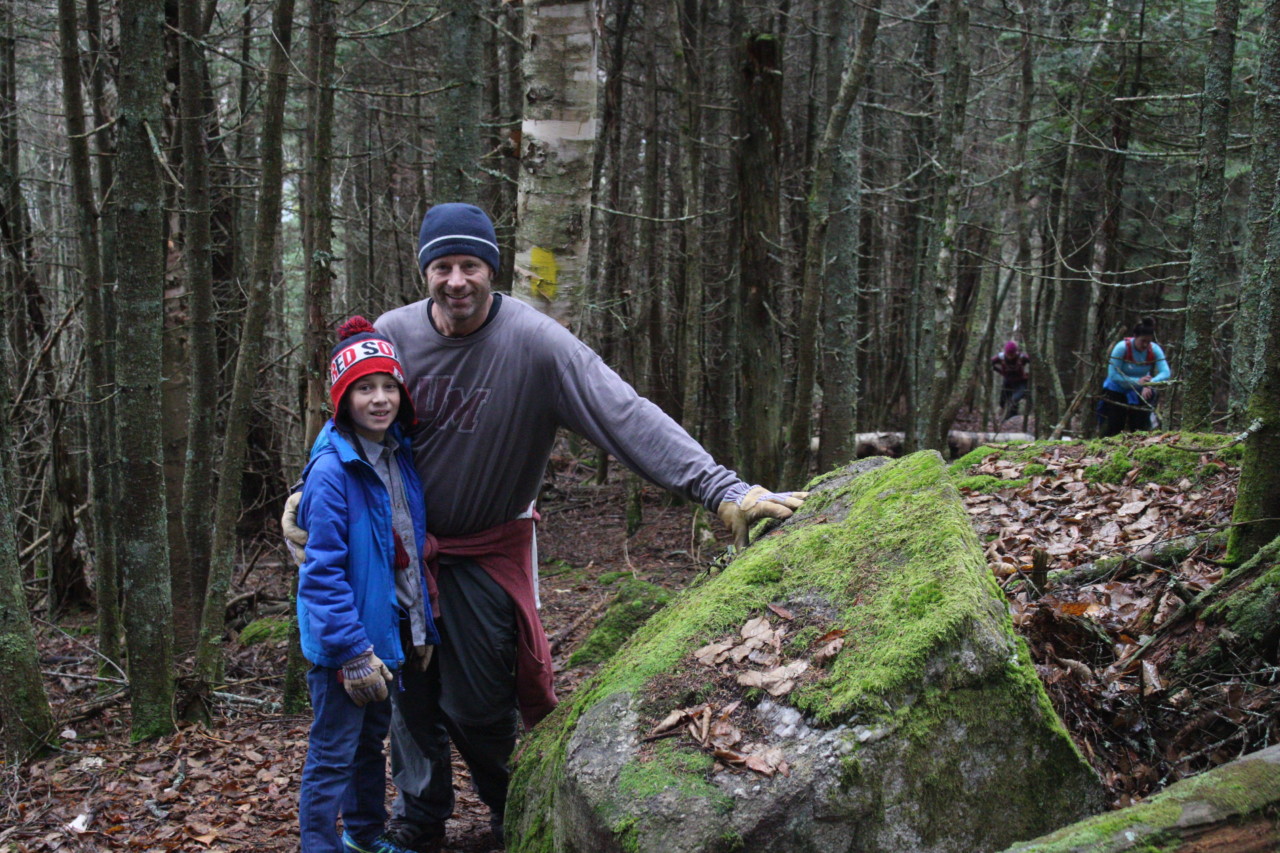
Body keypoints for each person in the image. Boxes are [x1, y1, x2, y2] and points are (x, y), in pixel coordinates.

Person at [283, 203, 808, 852]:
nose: (456, 281)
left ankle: (516, 805)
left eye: (470, 265)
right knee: (409, 699)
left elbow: (624, 414)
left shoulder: (535, 344)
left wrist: (722, 488)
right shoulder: (394, 334)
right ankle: (419, 817)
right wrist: (307, 492)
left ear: (492, 268)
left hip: (484, 550)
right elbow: (349, 421)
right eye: (442, 267)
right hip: (393, 556)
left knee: (479, 703)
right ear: (425, 272)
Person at [295, 317, 439, 853]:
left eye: (388, 387)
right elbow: (322, 574)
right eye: (364, 389)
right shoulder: (333, 471)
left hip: (385, 635)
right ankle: (319, 845)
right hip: (345, 645)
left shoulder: (397, 454)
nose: (380, 399)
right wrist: (352, 652)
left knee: (368, 745)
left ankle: (363, 834)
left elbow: (404, 548)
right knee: (332, 752)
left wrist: (418, 625)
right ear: (342, 399)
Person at [1100, 317, 1171, 437]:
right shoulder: (1122, 348)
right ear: (1135, 337)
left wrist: (1150, 383)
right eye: (1143, 341)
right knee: (1115, 425)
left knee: (1140, 426)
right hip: (1117, 389)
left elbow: (1166, 372)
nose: (1145, 345)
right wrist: (1137, 381)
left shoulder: (1154, 349)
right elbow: (1113, 375)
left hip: (1141, 390)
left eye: (1148, 341)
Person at [991, 340, 1031, 424]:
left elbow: (1034, 362)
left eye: (1012, 354)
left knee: (1014, 400)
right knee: (1002, 402)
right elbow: (990, 363)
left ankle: (1011, 419)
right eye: (1008, 354)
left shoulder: (1022, 357)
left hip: (1020, 382)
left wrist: (1028, 374)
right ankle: (1002, 419)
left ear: (1015, 352)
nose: (1010, 357)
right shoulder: (1001, 357)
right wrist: (1000, 371)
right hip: (1008, 381)